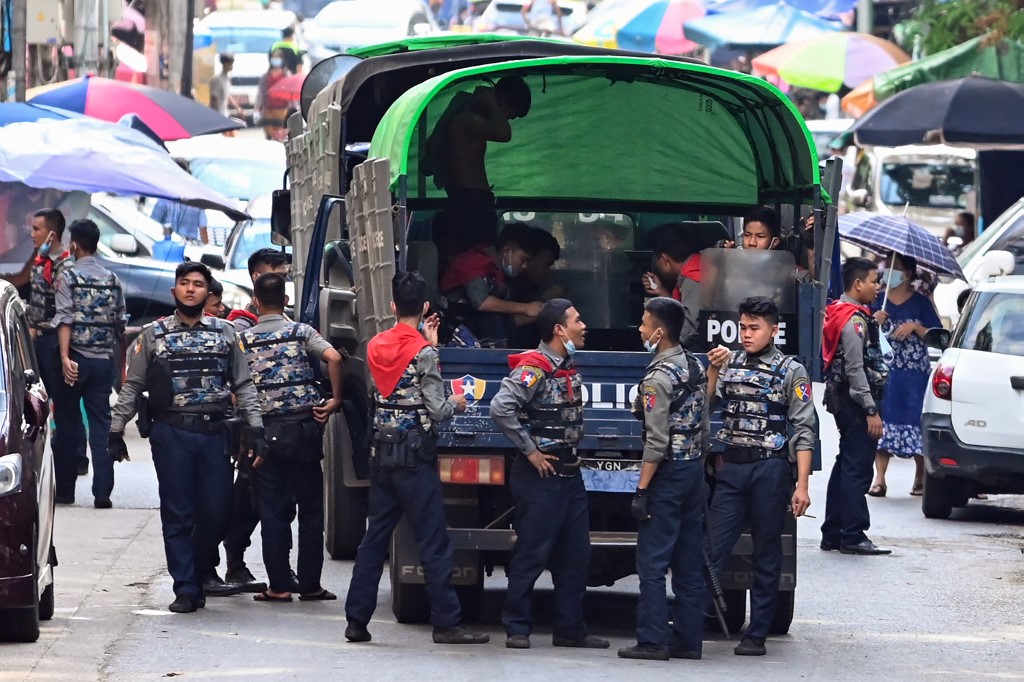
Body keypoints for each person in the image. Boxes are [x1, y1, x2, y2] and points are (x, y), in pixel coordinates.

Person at [109, 262, 267, 613]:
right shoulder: (153, 334)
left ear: (208, 293)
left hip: (213, 433)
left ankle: (197, 568)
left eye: (198, 284)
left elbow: (244, 383)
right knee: (177, 512)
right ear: (174, 291)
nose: (191, 289)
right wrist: (116, 428)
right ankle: (185, 586)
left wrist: (255, 428)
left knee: (217, 510)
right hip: (172, 433)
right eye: (185, 283)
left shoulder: (226, 333)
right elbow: (133, 384)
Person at [344, 271, 489, 645]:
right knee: (432, 541)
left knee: (374, 539)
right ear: (425, 307)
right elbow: (437, 410)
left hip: (383, 455)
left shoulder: (374, 344)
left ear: (392, 306)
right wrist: (457, 400)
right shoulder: (424, 353)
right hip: (415, 458)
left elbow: (389, 386)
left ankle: (356, 621)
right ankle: (446, 623)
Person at [490, 298, 609, 651]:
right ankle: (517, 626)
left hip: (570, 475)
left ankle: (570, 629)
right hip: (542, 476)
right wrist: (530, 451)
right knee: (532, 552)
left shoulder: (566, 365)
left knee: (576, 556)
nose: (583, 325)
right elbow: (501, 408)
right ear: (559, 330)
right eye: (577, 320)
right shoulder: (535, 367)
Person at [706, 296, 816, 656]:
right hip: (733, 468)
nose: (747, 334)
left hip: (770, 468)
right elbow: (707, 406)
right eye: (743, 327)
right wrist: (712, 372)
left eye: (754, 328)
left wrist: (802, 486)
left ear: (773, 330)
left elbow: (803, 429)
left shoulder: (791, 370)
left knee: (767, 551)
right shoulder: (729, 363)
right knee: (711, 547)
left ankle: (757, 633)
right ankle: (693, 622)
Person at [239, 273, 343, 603]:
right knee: (311, 511)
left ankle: (279, 586)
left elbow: (235, 386)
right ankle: (310, 585)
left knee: (272, 512)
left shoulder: (242, 340)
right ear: (285, 301)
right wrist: (335, 399)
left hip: (265, 434)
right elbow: (334, 358)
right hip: (304, 431)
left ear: (255, 302)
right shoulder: (301, 332)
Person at [618, 297, 708, 662]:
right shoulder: (693, 364)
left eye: (644, 323)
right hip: (693, 470)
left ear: (659, 331)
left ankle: (652, 639)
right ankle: (688, 640)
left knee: (652, 563)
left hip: (669, 474)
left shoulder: (656, 379)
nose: (640, 329)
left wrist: (641, 489)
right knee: (688, 560)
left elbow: (656, 441)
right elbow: (702, 420)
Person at [219, 247, 292, 592]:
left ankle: (263, 564)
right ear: (257, 278)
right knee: (251, 498)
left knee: (276, 501)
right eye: (274, 271)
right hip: (252, 426)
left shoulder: (286, 322)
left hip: (279, 426)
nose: (281, 277)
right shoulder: (239, 326)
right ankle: (234, 558)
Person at [53, 219, 127, 509]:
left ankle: (66, 491)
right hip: (102, 363)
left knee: (68, 424)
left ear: (74, 244)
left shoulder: (68, 277)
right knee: (101, 425)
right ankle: (103, 492)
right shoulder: (112, 279)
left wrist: (64, 358)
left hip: (76, 359)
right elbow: (121, 322)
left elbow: (64, 318)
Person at [820, 257, 891, 556]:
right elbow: (855, 368)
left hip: (846, 401)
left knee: (846, 464)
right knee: (857, 468)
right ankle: (853, 534)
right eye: (874, 281)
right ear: (858, 284)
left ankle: (833, 532)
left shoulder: (846, 313)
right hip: (855, 403)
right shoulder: (854, 321)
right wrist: (870, 410)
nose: (878, 287)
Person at [2, 209, 74, 498]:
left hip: (52, 341)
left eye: (36, 229)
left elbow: (62, 311)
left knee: (62, 412)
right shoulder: (41, 261)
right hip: (39, 339)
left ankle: (66, 480)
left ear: (51, 234)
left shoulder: (63, 267)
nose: (31, 234)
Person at [424, 77, 532, 245]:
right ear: (503, 102)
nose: (506, 120)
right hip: (471, 200)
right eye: (510, 115)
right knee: (481, 254)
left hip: (472, 199)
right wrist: (490, 102)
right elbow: (504, 133)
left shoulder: (473, 119)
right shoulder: (467, 119)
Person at [868, 254, 941, 498]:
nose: (888, 272)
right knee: (883, 418)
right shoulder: (878, 299)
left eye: (895, 268)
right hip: (885, 371)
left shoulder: (921, 303)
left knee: (915, 417)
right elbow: (862, 330)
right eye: (886, 267)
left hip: (914, 374)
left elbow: (937, 334)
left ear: (908, 273)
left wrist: (916, 328)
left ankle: (920, 476)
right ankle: (879, 478)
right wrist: (874, 321)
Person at [439, 224, 544, 346]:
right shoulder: (475, 263)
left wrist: (539, 314)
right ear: (507, 251)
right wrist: (525, 308)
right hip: (455, 335)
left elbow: (506, 321)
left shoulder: (502, 277)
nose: (524, 266)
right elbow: (481, 302)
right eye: (522, 259)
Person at [642, 223, 701, 348]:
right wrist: (661, 292)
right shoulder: (697, 267)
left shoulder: (693, 279)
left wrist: (656, 338)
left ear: (664, 260)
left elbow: (686, 333)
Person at [227, 248, 290, 332]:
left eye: (284, 276)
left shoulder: (290, 324)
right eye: (275, 276)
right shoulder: (241, 327)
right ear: (256, 277)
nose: (281, 281)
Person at [255, 49, 293, 141]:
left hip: (283, 111)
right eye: (274, 57)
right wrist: (257, 109)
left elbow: (291, 93)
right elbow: (260, 94)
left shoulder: (286, 75)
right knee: (270, 136)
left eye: (278, 57)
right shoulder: (266, 77)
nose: (276, 59)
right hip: (269, 111)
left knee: (281, 137)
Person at [209, 53, 242, 119]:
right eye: (231, 64)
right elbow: (214, 99)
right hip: (219, 115)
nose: (232, 66)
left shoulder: (226, 78)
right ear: (226, 64)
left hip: (225, 114)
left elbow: (227, 95)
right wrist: (214, 116)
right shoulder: (217, 79)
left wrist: (237, 107)